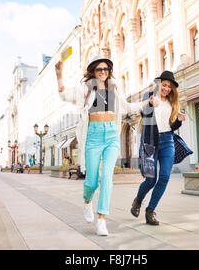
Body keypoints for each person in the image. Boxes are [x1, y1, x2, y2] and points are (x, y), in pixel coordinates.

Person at [55, 55, 152, 236]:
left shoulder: (114, 88)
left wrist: (148, 102)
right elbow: (63, 95)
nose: (103, 72)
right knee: (91, 181)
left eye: (106, 69)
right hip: (93, 135)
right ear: (93, 71)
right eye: (99, 69)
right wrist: (59, 74)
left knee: (107, 177)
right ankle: (87, 201)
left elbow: (127, 107)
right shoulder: (85, 89)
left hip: (111, 135)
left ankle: (101, 219)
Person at [130, 71, 187, 225]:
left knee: (164, 177)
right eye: (164, 85)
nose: (167, 88)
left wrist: (179, 120)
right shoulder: (149, 96)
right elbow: (144, 115)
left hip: (167, 141)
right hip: (150, 143)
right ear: (159, 84)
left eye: (169, 86)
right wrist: (149, 104)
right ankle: (138, 200)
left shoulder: (172, 102)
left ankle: (150, 210)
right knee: (150, 180)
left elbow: (171, 125)